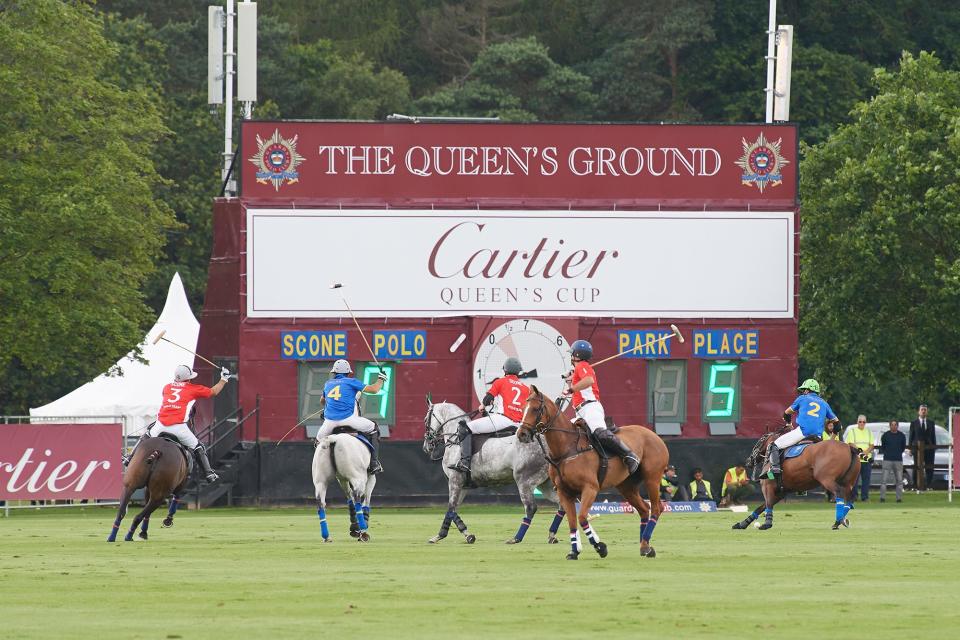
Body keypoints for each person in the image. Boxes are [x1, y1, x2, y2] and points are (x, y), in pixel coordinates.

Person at [137, 364, 231, 483]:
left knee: (146, 436)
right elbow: (213, 391)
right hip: (178, 427)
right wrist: (224, 379)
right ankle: (209, 474)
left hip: (160, 425)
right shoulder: (193, 388)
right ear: (189, 378)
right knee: (199, 447)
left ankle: (129, 458)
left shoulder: (166, 387)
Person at [562, 339, 639, 474]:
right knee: (566, 433)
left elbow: (589, 381)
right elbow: (580, 386)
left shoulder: (582, 365)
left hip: (590, 407)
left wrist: (571, 389)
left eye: (572, 353)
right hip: (580, 411)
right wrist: (571, 380)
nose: (571, 356)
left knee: (600, 433)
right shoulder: (579, 369)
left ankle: (630, 455)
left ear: (577, 355)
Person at [449, 357, 530, 473]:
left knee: (464, 427)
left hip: (503, 420)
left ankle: (465, 462)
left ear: (505, 370)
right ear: (518, 371)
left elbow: (488, 399)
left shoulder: (500, 381)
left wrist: (482, 406)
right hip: (519, 425)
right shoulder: (526, 388)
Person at [315, 359, 386, 474]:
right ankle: (374, 463)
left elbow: (322, 401)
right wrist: (381, 379)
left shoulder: (327, 384)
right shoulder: (351, 381)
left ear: (334, 373)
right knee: (374, 428)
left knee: (318, 441)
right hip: (348, 420)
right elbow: (374, 389)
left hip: (329, 424)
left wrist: (331, 406)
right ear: (348, 372)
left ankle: (320, 468)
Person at [765, 378, 839, 479]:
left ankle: (774, 470)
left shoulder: (802, 398)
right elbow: (838, 425)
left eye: (804, 390)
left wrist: (789, 424)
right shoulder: (824, 403)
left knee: (773, 445)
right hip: (818, 437)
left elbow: (786, 413)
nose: (803, 392)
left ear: (807, 390)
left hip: (802, 432)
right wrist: (831, 440)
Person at [844, 414, 874, 501]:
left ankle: (865, 497)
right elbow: (850, 443)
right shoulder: (852, 431)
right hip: (856, 459)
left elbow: (872, 445)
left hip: (866, 459)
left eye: (863, 422)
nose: (862, 423)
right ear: (857, 422)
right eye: (860, 421)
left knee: (866, 480)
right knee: (854, 480)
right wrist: (860, 452)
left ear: (866, 422)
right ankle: (854, 496)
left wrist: (866, 452)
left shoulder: (869, 432)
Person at [909, 404, 937, 490]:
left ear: (927, 411)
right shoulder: (914, 423)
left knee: (929, 467)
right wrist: (910, 448)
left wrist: (933, 447)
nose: (923, 411)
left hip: (929, 448)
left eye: (925, 410)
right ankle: (915, 485)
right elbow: (911, 436)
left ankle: (929, 485)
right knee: (916, 467)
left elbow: (933, 436)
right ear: (919, 411)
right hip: (917, 448)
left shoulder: (931, 423)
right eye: (922, 409)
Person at [878, 419, 907, 503]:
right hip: (887, 460)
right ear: (889, 425)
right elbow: (883, 447)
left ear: (897, 426)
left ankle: (899, 498)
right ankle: (882, 498)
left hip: (898, 460)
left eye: (895, 425)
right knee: (884, 480)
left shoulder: (902, 435)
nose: (894, 426)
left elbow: (903, 447)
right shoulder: (885, 435)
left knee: (899, 480)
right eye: (892, 425)